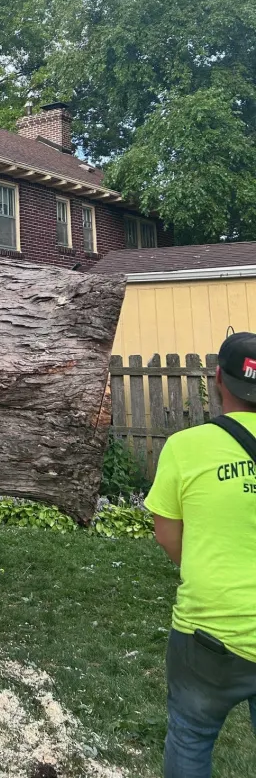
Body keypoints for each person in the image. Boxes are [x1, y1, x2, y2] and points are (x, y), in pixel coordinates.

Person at [146, 331, 256, 777]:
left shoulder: (185, 448)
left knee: (190, 737)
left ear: (217, 379)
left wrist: (202, 569)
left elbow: (167, 534)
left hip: (208, 635)